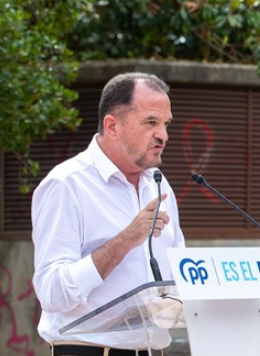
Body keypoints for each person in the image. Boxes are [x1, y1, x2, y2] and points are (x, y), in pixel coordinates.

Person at [32, 72, 185, 355]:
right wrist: (126, 240)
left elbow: (177, 275)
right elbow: (52, 293)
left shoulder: (158, 184)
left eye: (166, 124)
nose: (163, 135)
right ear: (112, 126)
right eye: (151, 122)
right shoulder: (66, 184)